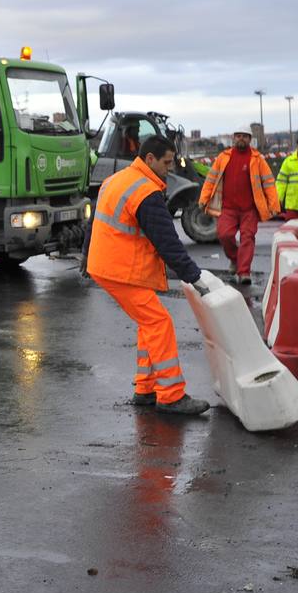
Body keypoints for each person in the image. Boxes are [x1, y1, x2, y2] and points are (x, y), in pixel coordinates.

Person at [88, 136, 214, 415]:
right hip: (119, 270)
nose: (170, 168)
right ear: (150, 159)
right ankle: (171, 396)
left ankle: (146, 388)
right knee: (159, 323)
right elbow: (167, 242)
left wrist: (87, 258)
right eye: (167, 162)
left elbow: (93, 223)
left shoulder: (117, 180)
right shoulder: (145, 192)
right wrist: (194, 276)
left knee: (149, 323)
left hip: (108, 265)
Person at [198, 126, 280, 286]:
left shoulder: (257, 159)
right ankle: (235, 260)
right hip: (228, 208)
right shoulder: (223, 158)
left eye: (244, 136)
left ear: (250, 139)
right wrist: (203, 199)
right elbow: (211, 180)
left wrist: (274, 205)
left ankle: (244, 272)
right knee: (224, 235)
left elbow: (269, 183)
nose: (241, 138)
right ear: (233, 138)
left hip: (249, 210)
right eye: (238, 136)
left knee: (247, 239)